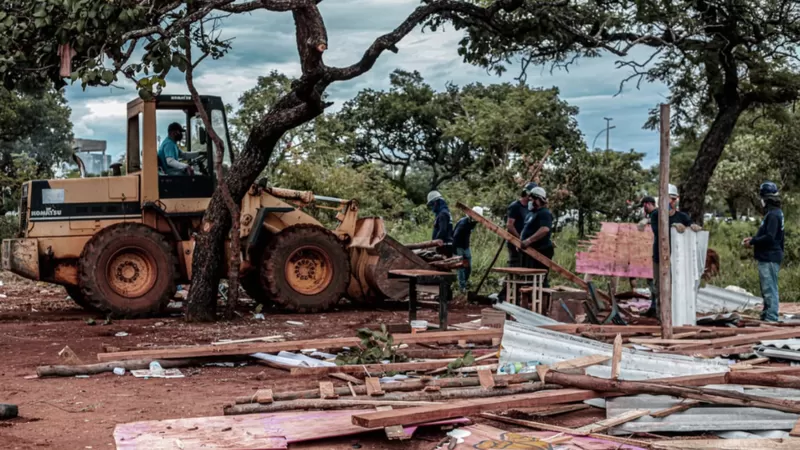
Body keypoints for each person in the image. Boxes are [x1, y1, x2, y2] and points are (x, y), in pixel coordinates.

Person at [641, 184, 700, 318]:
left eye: (674, 199)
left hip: (677, 259)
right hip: (659, 257)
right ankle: (660, 314)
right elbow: (658, 232)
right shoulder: (656, 215)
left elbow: (691, 227)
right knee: (659, 286)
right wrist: (672, 227)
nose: (672, 202)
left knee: (675, 286)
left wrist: (693, 227)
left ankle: (674, 314)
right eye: (670, 198)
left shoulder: (682, 217)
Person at [743, 181, 784, 322]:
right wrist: (754, 239)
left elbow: (770, 237)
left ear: (766, 198)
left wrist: (753, 242)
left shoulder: (772, 215)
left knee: (769, 288)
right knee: (767, 288)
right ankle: (767, 313)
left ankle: (771, 317)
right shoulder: (775, 213)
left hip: (769, 256)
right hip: (769, 256)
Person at [519, 187, 554, 287]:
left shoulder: (544, 213)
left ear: (538, 199)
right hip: (529, 251)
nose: (529, 201)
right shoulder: (531, 214)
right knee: (528, 278)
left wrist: (529, 240)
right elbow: (526, 229)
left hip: (541, 251)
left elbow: (544, 229)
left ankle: (543, 296)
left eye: (531, 199)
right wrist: (520, 241)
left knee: (539, 279)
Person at [506, 182, 537, 267]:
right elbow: (510, 225)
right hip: (515, 241)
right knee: (515, 264)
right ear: (527, 194)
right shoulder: (515, 206)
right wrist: (519, 238)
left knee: (526, 265)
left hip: (526, 242)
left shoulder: (530, 207)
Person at [453, 206, 483, 291]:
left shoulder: (472, 223)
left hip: (466, 246)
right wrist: (455, 250)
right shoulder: (463, 224)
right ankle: (462, 287)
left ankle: (464, 283)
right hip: (459, 247)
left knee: (468, 267)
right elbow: (455, 236)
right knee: (461, 267)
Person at [427, 190, 453, 257]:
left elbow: (442, 230)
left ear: (436, 202)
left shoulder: (443, 214)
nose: (432, 207)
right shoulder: (445, 212)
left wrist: (434, 243)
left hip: (444, 246)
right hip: (445, 245)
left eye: (432, 204)